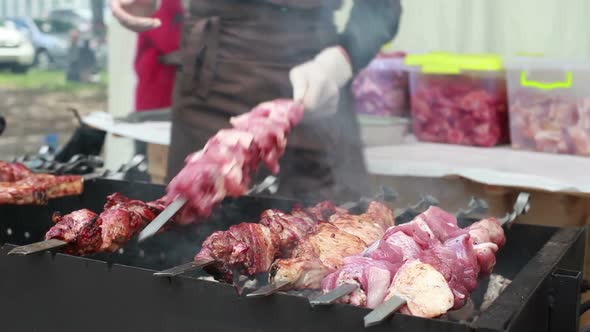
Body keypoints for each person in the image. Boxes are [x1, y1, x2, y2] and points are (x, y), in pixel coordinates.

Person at [112, 0, 402, 203]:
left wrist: (341, 60)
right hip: (212, 77)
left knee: (331, 238)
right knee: (193, 243)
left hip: (315, 74)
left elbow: (381, 6)